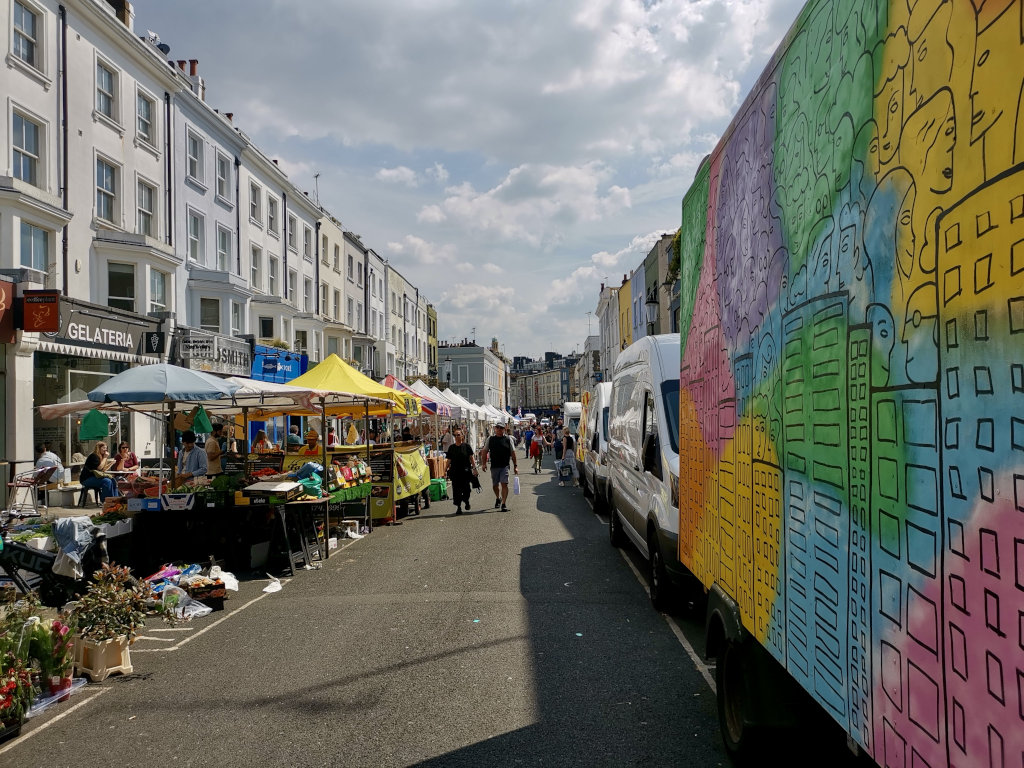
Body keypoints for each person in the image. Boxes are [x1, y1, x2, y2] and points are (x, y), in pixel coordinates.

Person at [481, 422, 518, 512]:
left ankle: (504, 504)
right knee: (495, 485)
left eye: (501, 428)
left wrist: (515, 466)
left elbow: (513, 453)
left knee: (504, 483)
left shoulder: (508, 439)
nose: (499, 429)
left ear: (504, 429)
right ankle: (498, 498)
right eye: (497, 427)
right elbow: (485, 451)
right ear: (495, 428)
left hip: (505, 465)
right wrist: (484, 463)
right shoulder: (490, 439)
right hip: (494, 466)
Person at [445, 429, 477, 515]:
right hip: (455, 472)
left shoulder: (467, 446)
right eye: (455, 435)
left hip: (466, 472)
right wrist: (445, 470)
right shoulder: (451, 448)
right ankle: (458, 507)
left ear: (462, 436)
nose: (456, 437)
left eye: (458, 435)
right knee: (456, 490)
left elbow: (471, 458)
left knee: (467, 490)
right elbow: (449, 460)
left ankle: (466, 500)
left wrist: (474, 468)